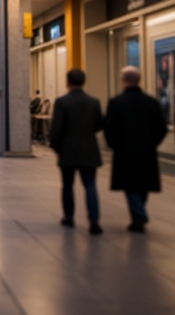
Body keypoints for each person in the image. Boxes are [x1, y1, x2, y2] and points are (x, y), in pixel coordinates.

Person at [104, 65, 167, 232]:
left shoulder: (116, 102)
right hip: (146, 151)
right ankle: (137, 216)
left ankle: (139, 215)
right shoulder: (151, 102)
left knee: (130, 185)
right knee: (143, 185)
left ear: (123, 81)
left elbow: (109, 128)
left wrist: (114, 144)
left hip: (124, 151)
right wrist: (152, 143)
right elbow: (162, 128)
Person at [49, 68, 104, 235]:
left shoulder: (62, 102)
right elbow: (99, 124)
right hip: (89, 149)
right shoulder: (94, 102)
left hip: (68, 150)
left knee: (67, 184)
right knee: (90, 185)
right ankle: (94, 220)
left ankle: (69, 217)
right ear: (83, 82)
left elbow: (56, 129)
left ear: (67, 82)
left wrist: (57, 147)